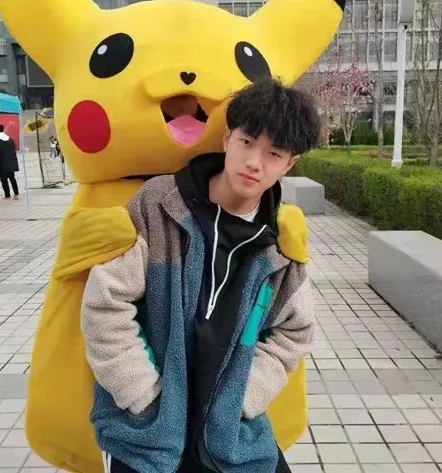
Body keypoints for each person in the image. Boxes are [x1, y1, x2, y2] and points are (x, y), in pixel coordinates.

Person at [81, 79, 321, 473]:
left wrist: (243, 399)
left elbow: (295, 333)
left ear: (289, 164)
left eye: (273, 153)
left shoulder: (279, 248)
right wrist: (144, 396)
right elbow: (105, 305)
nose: (254, 162)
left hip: (229, 436)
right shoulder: (158, 205)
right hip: (146, 434)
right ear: (227, 138)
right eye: (247, 142)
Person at [0, 124, 20, 200]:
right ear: (3, 129)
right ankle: (16, 193)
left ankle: (7, 195)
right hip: (11, 163)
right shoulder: (10, 140)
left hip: (1, 164)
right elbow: (13, 152)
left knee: (4, 180)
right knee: (12, 179)